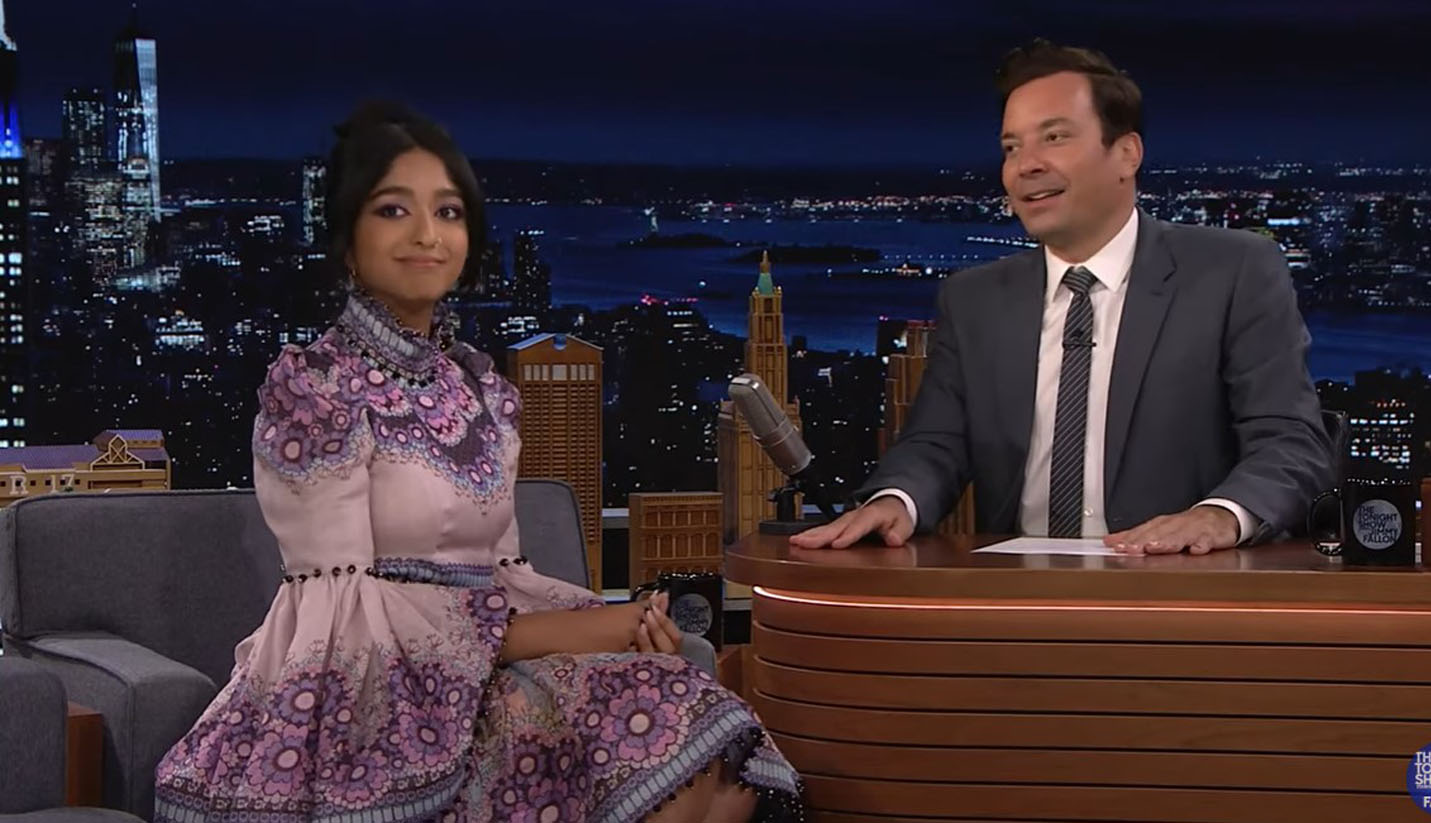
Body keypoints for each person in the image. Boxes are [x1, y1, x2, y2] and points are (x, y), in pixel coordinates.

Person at [154, 102, 802, 823]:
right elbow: (343, 618)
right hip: (371, 700)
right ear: (346, 240)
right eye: (394, 210)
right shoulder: (315, 390)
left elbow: (503, 577)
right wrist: (580, 632)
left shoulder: (481, 391)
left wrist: (616, 622)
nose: (428, 234)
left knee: (717, 753)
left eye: (449, 212)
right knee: (661, 745)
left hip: (492, 668)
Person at [793, 40, 1332, 555]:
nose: (1025, 165)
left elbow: (1290, 441)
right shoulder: (974, 299)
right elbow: (936, 443)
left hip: (1179, 589)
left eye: (1053, 138)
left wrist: (1220, 516)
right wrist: (896, 500)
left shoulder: (1233, 271)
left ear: (1126, 154)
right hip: (1021, 592)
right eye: (1011, 147)